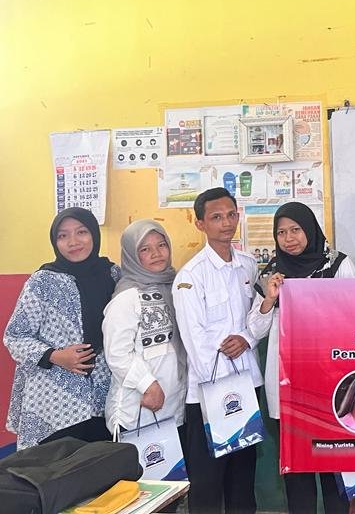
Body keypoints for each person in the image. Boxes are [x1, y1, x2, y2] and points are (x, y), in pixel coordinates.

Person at [248, 201, 352, 514]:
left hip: (330, 384)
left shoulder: (338, 265)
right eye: (281, 233)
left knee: (334, 470)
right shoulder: (271, 274)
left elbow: (354, 317)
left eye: (295, 230)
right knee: (297, 472)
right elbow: (255, 329)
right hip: (287, 384)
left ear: (310, 229)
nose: (289, 238)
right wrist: (269, 299)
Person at [173, 188, 263, 514]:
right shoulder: (190, 276)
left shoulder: (248, 266)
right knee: (208, 482)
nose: (226, 223)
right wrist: (223, 390)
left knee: (242, 477)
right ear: (200, 224)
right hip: (210, 393)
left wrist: (248, 339)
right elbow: (195, 342)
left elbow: (259, 318)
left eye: (230, 215)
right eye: (216, 217)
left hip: (247, 387)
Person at [4, 207, 120, 449]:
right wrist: (55, 356)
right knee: (55, 465)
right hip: (54, 399)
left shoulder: (113, 275)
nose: (73, 242)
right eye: (63, 235)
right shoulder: (42, 282)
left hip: (105, 391)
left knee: (103, 462)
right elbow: (15, 336)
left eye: (81, 232)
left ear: (94, 235)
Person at [102, 220, 186, 444]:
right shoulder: (127, 297)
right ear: (131, 255)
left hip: (173, 407)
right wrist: (147, 384)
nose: (156, 254)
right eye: (145, 249)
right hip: (138, 408)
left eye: (161, 245)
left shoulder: (177, 288)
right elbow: (117, 353)